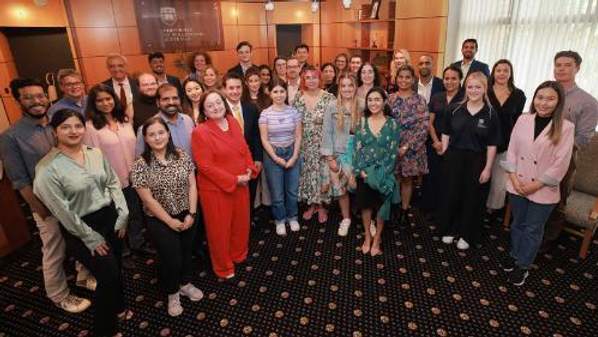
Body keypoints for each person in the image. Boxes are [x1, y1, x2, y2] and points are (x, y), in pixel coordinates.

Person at [34, 109, 131, 337]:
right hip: (81, 228)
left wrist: (123, 214)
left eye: (78, 126)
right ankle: (103, 330)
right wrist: (90, 237)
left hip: (111, 217)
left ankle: (118, 307)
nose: (73, 131)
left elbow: (113, 183)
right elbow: (62, 211)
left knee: (116, 267)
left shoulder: (94, 153)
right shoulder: (47, 169)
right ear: (54, 131)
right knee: (107, 276)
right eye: (66, 127)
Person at [0, 78, 93, 314]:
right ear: (18, 100)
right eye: (28, 97)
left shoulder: (58, 124)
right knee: (55, 249)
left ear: (47, 96)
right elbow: (20, 181)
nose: (36, 101)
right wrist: (41, 210)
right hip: (46, 205)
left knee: (82, 239)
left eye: (40, 95)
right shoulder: (11, 136)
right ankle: (59, 295)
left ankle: (83, 276)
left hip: (75, 199)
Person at [501, 81, 574, 286]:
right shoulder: (524, 120)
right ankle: (515, 255)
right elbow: (512, 150)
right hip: (517, 184)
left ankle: (523, 265)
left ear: (558, 102)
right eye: (540, 97)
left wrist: (535, 185)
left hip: (543, 189)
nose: (543, 103)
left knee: (533, 229)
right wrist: (514, 179)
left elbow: (561, 164)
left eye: (550, 99)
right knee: (517, 224)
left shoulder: (566, 127)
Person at [131, 116, 204, 316]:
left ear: (168, 133)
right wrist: (170, 221)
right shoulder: (140, 164)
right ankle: (172, 293)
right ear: (145, 138)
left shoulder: (181, 155)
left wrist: (192, 213)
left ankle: (185, 283)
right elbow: (148, 201)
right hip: (160, 219)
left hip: (187, 213)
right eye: (151, 134)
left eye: (161, 132)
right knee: (171, 258)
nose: (157, 137)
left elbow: (192, 185)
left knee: (186, 252)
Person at [191, 89, 259, 279]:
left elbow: (244, 149)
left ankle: (238, 255)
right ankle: (223, 267)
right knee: (219, 230)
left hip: (241, 184)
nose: (216, 107)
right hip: (216, 190)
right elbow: (204, 166)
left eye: (218, 102)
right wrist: (234, 179)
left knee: (241, 223)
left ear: (224, 102)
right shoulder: (200, 132)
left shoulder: (232, 121)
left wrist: (249, 168)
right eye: (210, 105)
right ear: (204, 111)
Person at [84, 84, 151, 260]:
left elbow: (136, 147)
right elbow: (92, 158)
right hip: (111, 181)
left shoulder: (125, 120)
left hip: (135, 176)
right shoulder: (90, 127)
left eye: (108, 98)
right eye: (100, 100)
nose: (105, 103)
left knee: (136, 212)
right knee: (118, 217)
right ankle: (123, 251)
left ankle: (137, 242)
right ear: (93, 104)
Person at [542, 50, 598, 249]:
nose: (562, 69)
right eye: (558, 65)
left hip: (564, 160)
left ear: (577, 68)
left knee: (557, 200)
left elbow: (583, 138)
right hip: (537, 156)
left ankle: (548, 240)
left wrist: (558, 147)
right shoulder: (545, 93)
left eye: (567, 65)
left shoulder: (588, 102)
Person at [438, 72, 500, 250]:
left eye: (478, 87)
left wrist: (488, 168)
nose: (473, 90)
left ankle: (466, 233)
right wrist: (445, 153)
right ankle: (449, 229)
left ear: (485, 89)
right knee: (451, 193)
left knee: (472, 197)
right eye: (470, 87)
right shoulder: (454, 109)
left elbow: (492, 144)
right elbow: (446, 133)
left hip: (477, 160)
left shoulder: (490, 113)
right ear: (466, 88)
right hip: (454, 157)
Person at [353, 87, 400, 256]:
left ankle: (378, 237)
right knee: (366, 207)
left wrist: (382, 175)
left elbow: (393, 152)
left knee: (381, 208)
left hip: (383, 174)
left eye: (377, 99)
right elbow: (357, 149)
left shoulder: (393, 124)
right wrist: (361, 172)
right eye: (370, 100)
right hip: (364, 173)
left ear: (384, 101)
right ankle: (367, 236)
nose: (373, 103)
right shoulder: (361, 122)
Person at [322, 72, 365, 236]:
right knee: (341, 190)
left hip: (359, 153)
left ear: (355, 87)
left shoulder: (363, 105)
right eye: (343, 86)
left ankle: (367, 218)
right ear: (339, 88)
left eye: (350, 85)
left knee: (359, 186)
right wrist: (329, 157)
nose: (347, 89)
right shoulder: (332, 106)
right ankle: (346, 218)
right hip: (338, 153)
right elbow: (326, 132)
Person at [259, 80, 302, 235]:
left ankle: (292, 217)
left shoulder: (294, 112)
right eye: (275, 91)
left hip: (292, 152)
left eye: (282, 91)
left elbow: (298, 136)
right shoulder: (265, 114)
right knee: (277, 192)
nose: (279, 95)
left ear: (286, 93)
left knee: (292, 190)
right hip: (272, 155)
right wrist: (276, 158)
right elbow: (264, 139)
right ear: (270, 93)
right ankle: (280, 219)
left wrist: (294, 156)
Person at [294, 66, 336, 223]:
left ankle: (322, 206)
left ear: (320, 79)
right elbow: (295, 122)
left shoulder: (329, 98)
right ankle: (312, 204)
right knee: (308, 174)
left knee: (322, 174)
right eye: (308, 77)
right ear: (303, 80)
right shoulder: (298, 97)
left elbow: (334, 123)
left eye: (314, 77)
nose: (311, 80)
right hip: (305, 143)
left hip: (323, 143)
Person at [421, 65, 464, 215]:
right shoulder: (437, 97)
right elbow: (429, 122)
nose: (449, 81)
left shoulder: (465, 98)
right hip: (435, 143)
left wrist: (446, 144)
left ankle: (445, 210)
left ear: (460, 80)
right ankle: (430, 208)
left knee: (450, 180)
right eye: (446, 78)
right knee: (432, 177)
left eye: (454, 78)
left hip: (455, 146)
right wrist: (436, 142)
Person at [486, 59, 526, 214]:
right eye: (498, 70)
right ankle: (476, 206)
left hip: (506, 144)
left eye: (506, 70)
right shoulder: (485, 91)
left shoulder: (518, 95)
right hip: (483, 143)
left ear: (510, 74)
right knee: (481, 178)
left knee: (498, 182)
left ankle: (492, 210)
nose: (502, 73)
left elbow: (517, 122)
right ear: (493, 73)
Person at [390, 65, 429, 223]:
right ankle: (394, 207)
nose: (404, 80)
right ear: (396, 78)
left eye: (407, 77)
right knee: (393, 178)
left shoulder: (420, 100)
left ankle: (405, 211)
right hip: (391, 145)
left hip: (412, 148)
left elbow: (424, 126)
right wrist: (392, 145)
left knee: (407, 180)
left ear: (413, 79)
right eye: (401, 77)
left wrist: (406, 146)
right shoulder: (390, 98)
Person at [223, 72, 264, 223]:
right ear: (224, 90)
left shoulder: (250, 108)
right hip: (229, 163)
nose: (235, 91)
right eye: (231, 88)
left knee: (250, 192)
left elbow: (256, 136)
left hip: (250, 160)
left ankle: (248, 219)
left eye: (238, 87)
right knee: (232, 194)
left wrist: (258, 158)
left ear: (243, 88)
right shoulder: (220, 111)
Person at [135, 84, 195, 157]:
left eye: (175, 98)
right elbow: (140, 159)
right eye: (166, 99)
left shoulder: (188, 120)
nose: (171, 102)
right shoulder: (146, 128)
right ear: (158, 103)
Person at [102, 53, 139, 119]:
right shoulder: (103, 87)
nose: (116, 69)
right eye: (112, 66)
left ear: (126, 66)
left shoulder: (137, 83)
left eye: (120, 66)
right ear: (108, 68)